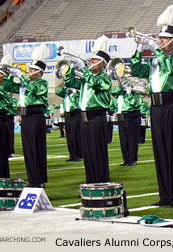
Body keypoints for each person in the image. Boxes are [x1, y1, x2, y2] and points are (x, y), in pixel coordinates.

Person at [131, 5, 173, 207]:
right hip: (156, 108)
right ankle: (165, 195)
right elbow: (136, 70)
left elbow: (172, 68)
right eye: (160, 38)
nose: (160, 41)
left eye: (163, 38)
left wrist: (155, 48)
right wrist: (139, 49)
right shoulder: (155, 61)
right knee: (160, 152)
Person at [64, 35, 112, 183]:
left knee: (98, 154)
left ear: (103, 64)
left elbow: (95, 83)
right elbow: (70, 82)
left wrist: (83, 68)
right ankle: (91, 182)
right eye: (91, 61)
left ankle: (101, 182)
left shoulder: (104, 77)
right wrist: (72, 67)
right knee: (89, 155)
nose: (91, 63)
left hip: (97, 119)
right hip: (84, 120)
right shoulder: (87, 77)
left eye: (95, 61)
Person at [5, 44, 49, 188]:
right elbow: (8, 87)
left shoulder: (42, 82)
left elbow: (36, 90)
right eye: (30, 69)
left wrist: (22, 76)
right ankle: (33, 179)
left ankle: (39, 179)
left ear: (40, 72)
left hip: (36, 117)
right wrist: (11, 76)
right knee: (28, 149)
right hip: (25, 117)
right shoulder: (25, 83)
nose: (30, 72)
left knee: (37, 148)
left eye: (33, 70)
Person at [112, 84, 142, 166]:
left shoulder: (137, 94)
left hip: (132, 116)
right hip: (121, 117)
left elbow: (135, 104)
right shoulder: (121, 93)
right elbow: (113, 92)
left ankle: (132, 160)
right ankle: (126, 160)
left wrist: (129, 92)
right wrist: (121, 86)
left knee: (132, 140)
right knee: (123, 140)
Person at [55, 87, 83, 162]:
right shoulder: (65, 94)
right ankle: (72, 155)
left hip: (75, 114)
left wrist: (74, 91)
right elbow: (57, 92)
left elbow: (80, 98)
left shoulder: (77, 93)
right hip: (67, 116)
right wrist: (65, 87)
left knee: (76, 136)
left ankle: (78, 155)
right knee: (69, 137)